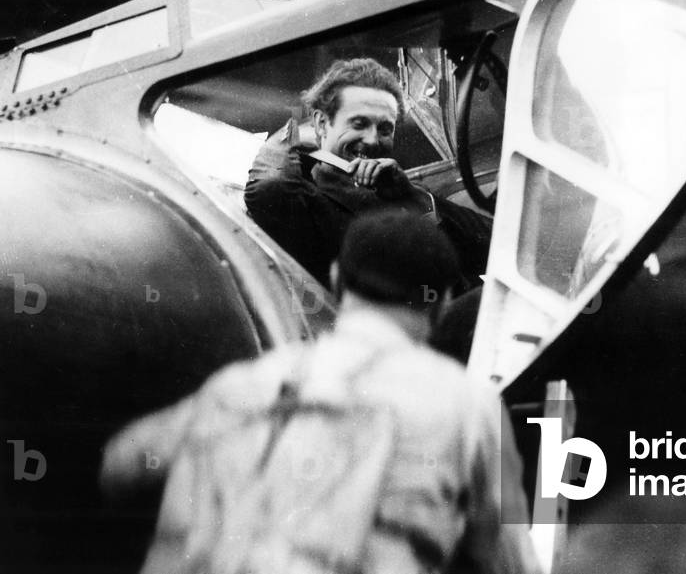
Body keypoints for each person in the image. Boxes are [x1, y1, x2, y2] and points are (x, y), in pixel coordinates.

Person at [100, 211, 540, 574]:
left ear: (336, 279)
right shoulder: (468, 404)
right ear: (442, 302)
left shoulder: (241, 383)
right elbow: (507, 557)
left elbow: (122, 464)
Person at [244, 57, 491, 289]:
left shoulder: (396, 188)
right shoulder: (305, 201)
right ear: (321, 123)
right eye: (359, 124)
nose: (373, 140)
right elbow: (269, 187)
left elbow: (495, 246)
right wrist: (298, 136)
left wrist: (413, 198)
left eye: (385, 129)